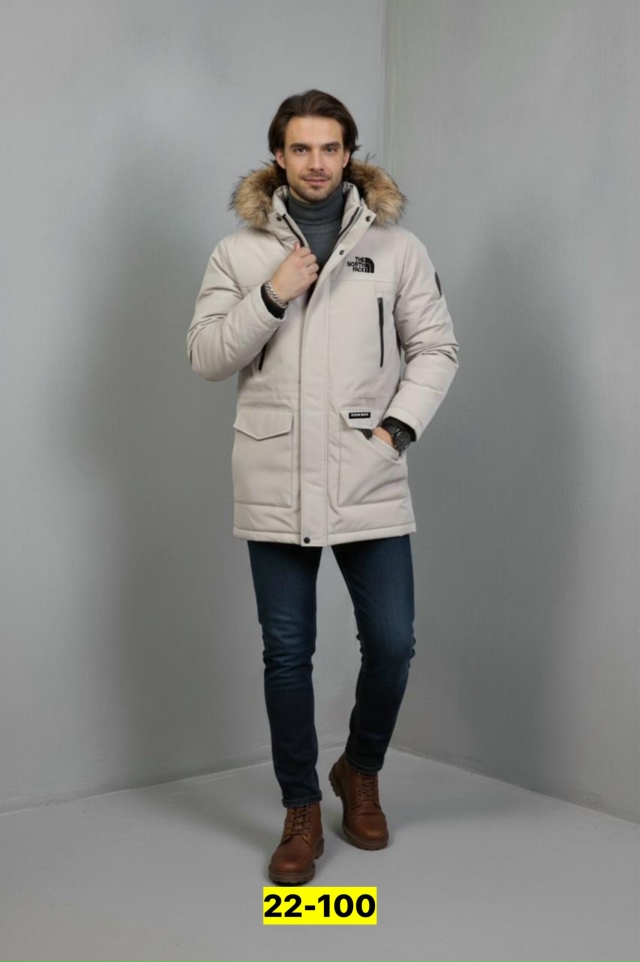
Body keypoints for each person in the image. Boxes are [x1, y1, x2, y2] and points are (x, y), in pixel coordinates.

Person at [187, 90, 459, 885]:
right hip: (274, 477)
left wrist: (395, 431)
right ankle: (301, 809)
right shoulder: (238, 253)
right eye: (301, 149)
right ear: (278, 156)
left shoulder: (397, 249)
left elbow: (437, 348)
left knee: (394, 644)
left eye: (330, 148)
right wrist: (272, 294)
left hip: (366, 473)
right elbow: (206, 356)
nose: (316, 163)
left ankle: (359, 770)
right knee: (287, 654)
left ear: (349, 154)